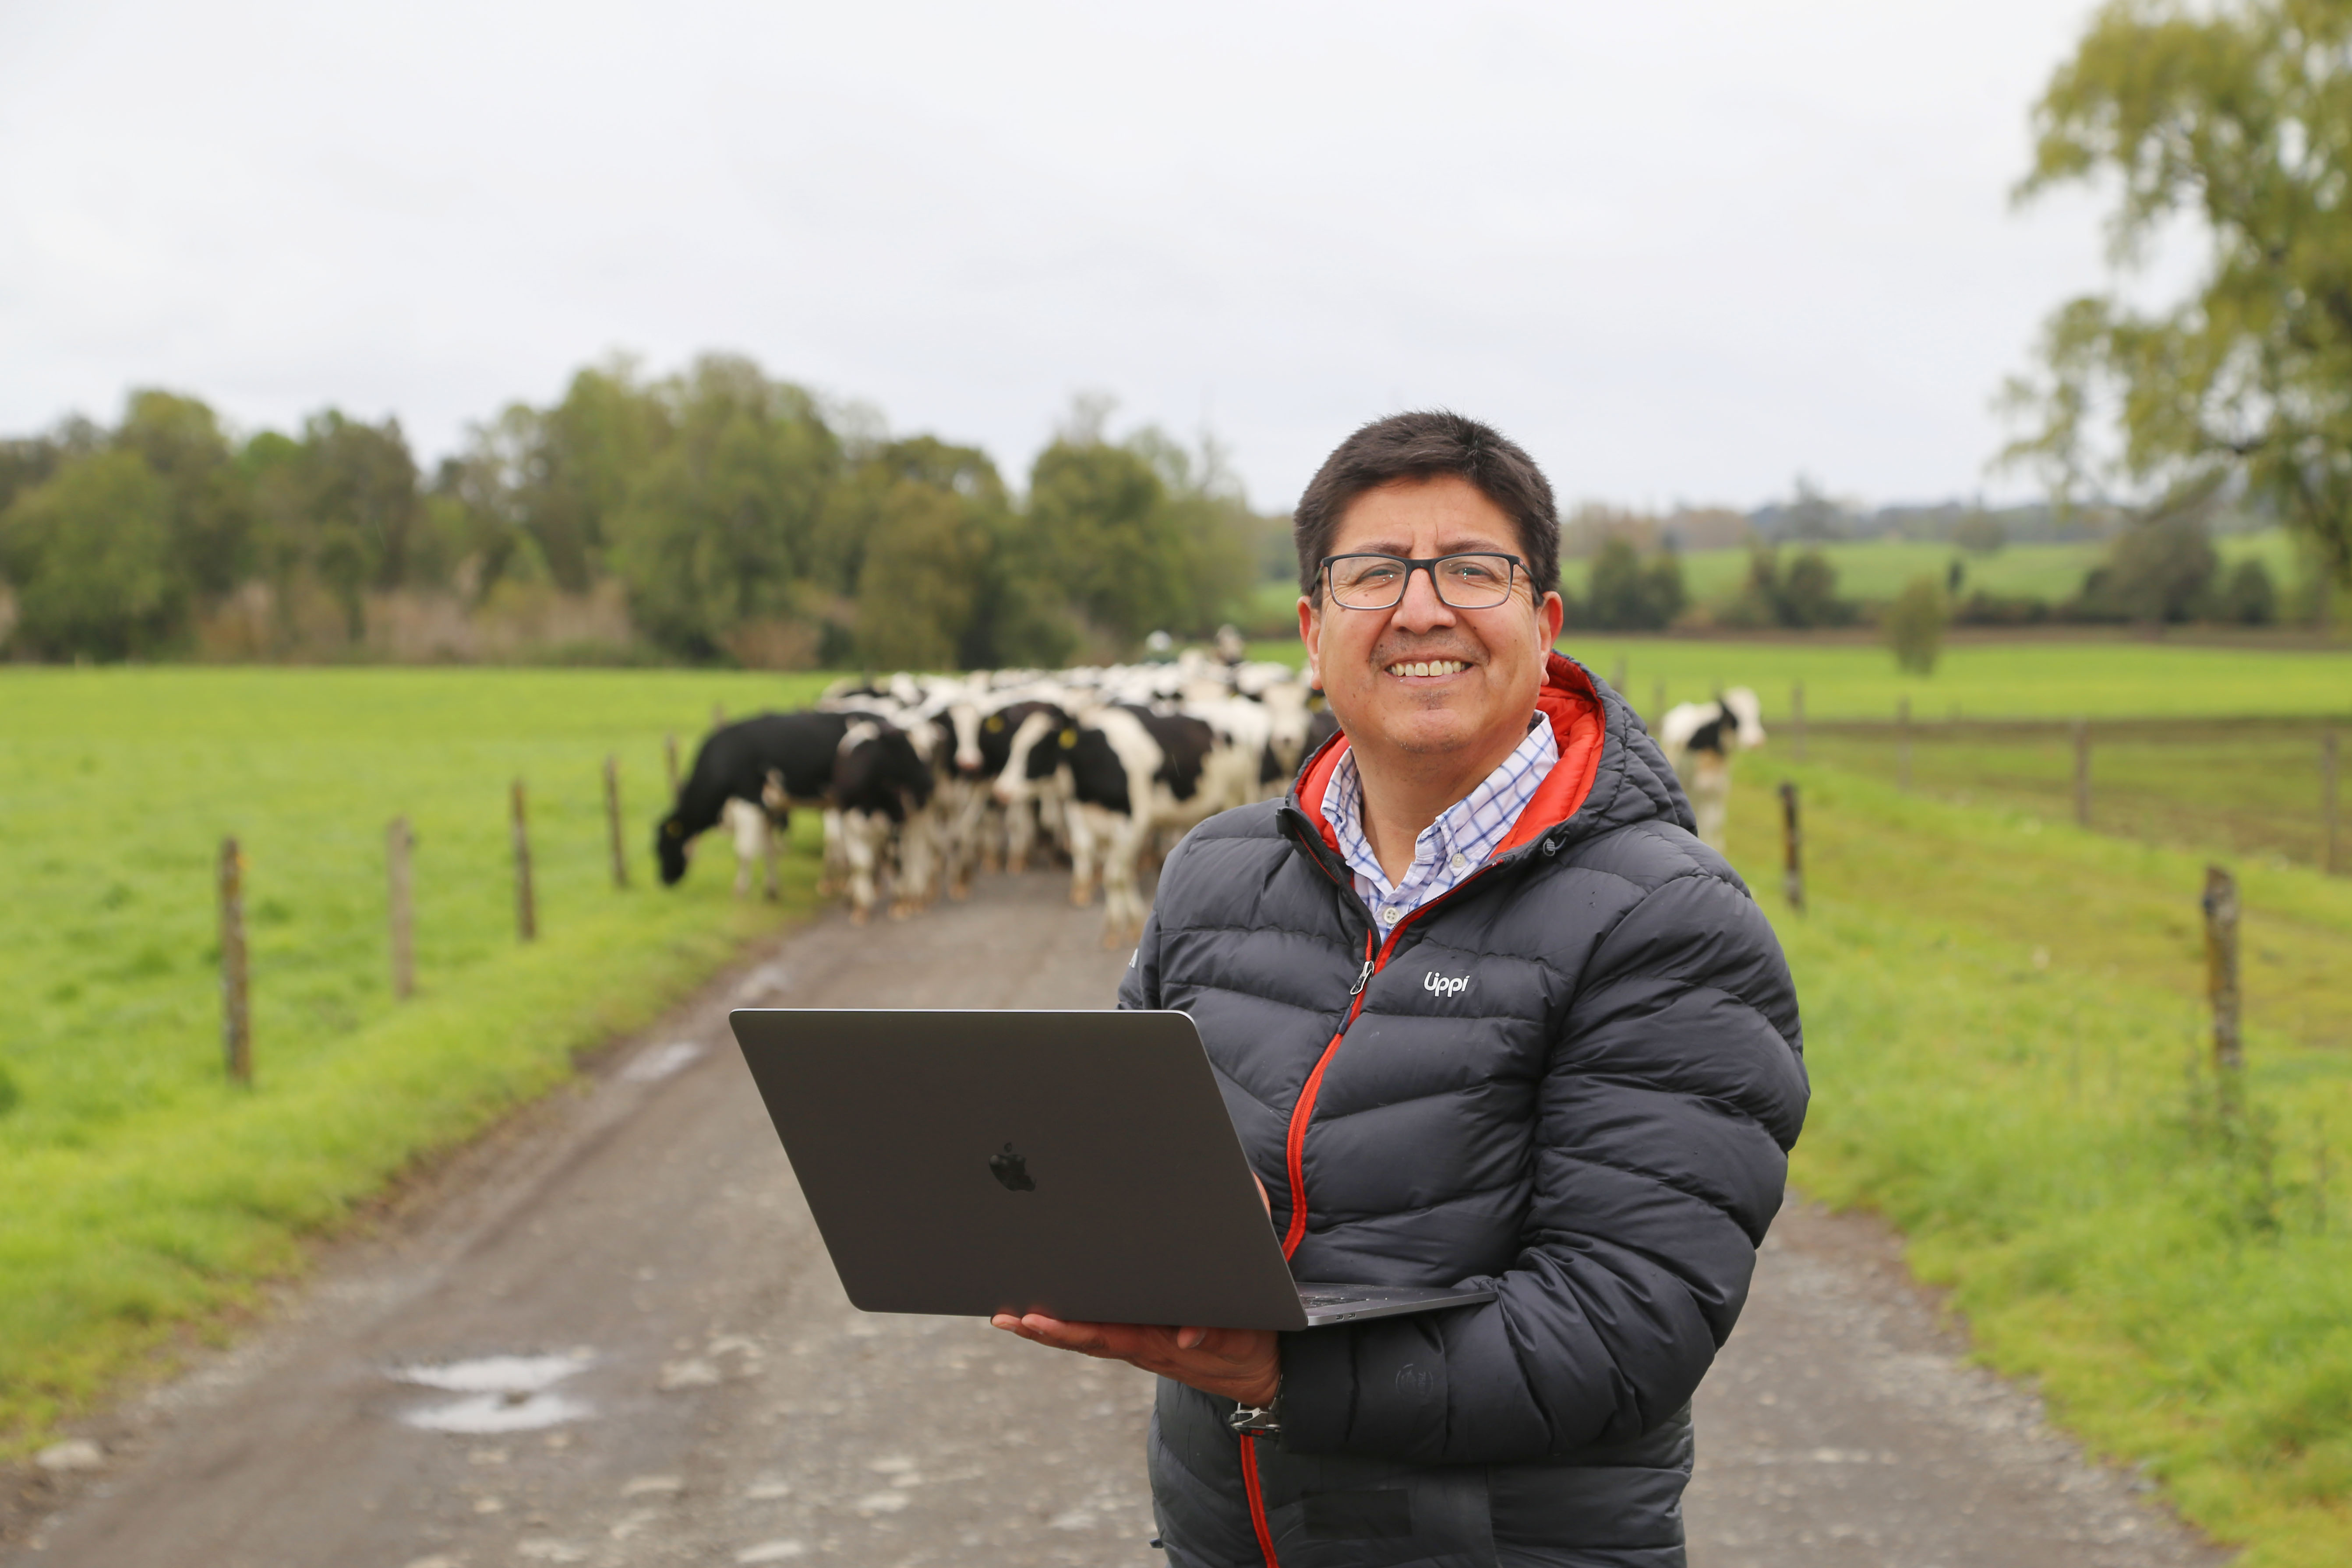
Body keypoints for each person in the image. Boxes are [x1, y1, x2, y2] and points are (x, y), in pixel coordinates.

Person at [992, 411, 1807, 1567]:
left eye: (1472, 569)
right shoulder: (1214, 872)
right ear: (1312, 632)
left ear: (1544, 623)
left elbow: (1626, 1320)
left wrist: (1283, 1373)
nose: (1421, 609)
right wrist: (1103, 1220)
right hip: (1225, 1538)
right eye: (1373, 573)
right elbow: (1133, 1151)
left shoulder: (1666, 918)